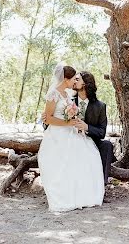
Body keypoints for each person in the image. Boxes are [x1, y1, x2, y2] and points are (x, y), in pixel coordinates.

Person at [38, 63, 105, 212]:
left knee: (89, 155)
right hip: (57, 134)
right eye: (73, 79)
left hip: (70, 131)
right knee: (64, 163)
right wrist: (68, 123)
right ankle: (64, 197)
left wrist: (72, 119)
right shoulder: (53, 94)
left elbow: (67, 114)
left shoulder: (67, 95)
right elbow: (48, 119)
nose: (75, 82)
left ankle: (82, 195)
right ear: (66, 79)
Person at [71, 72, 116, 186]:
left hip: (90, 141)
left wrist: (87, 127)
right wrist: (46, 121)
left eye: (77, 79)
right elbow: (52, 123)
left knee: (107, 145)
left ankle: (100, 185)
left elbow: (102, 132)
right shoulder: (67, 101)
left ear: (85, 84)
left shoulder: (100, 106)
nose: (74, 81)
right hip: (70, 141)